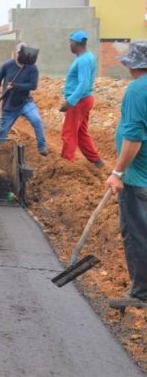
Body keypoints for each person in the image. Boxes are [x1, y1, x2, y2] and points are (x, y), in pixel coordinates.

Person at [105, 41, 147, 309]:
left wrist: (117, 172)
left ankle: (140, 294)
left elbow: (133, 138)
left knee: (137, 233)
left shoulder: (137, 91)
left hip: (137, 179)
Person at [0, 43, 48, 156]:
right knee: (2, 133)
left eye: (22, 52)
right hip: (9, 104)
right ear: (16, 53)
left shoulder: (32, 68)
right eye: (19, 52)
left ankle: (42, 146)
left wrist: (16, 86)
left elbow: (33, 85)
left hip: (25, 102)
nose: (20, 55)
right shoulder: (7, 65)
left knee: (36, 120)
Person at [60, 30, 103, 167]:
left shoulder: (83, 60)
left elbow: (83, 83)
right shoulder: (87, 57)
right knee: (81, 133)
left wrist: (70, 101)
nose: (69, 44)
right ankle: (96, 161)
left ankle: (66, 165)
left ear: (76, 43)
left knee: (69, 133)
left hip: (79, 101)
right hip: (84, 99)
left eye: (70, 42)